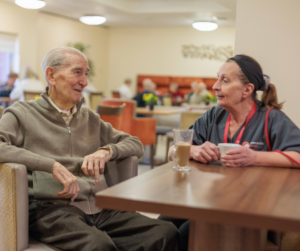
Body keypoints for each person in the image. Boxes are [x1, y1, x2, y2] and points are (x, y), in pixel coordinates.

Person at [0, 47, 178, 251]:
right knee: (99, 245)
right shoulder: (22, 113)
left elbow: (135, 143)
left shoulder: (90, 118)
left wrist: (107, 151)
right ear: (51, 75)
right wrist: (52, 166)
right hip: (51, 209)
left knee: (165, 231)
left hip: (99, 207)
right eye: (77, 72)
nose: (84, 81)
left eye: (86, 74)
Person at [161, 54, 300, 251]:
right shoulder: (212, 116)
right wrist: (194, 150)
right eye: (217, 78)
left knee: (186, 234)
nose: (215, 86)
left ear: (247, 90)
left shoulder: (271, 118)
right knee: (162, 227)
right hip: (209, 201)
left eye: (224, 80)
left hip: (252, 209)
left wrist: (255, 157)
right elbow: (172, 150)